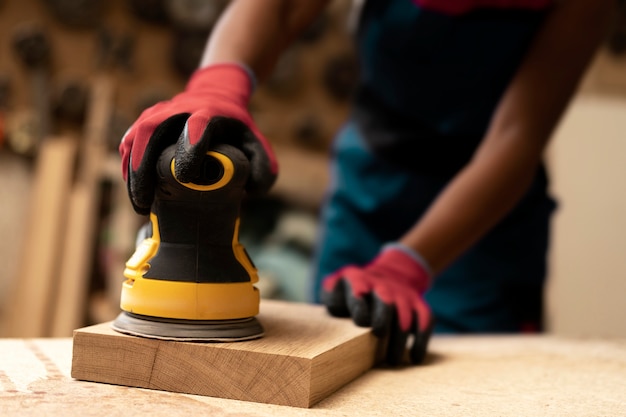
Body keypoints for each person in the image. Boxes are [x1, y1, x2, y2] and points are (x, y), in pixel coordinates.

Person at [119, 0, 614, 365]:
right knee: (330, 363)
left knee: (467, 379)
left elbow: (517, 138)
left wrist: (409, 266)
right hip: (370, 186)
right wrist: (218, 85)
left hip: (482, 227)